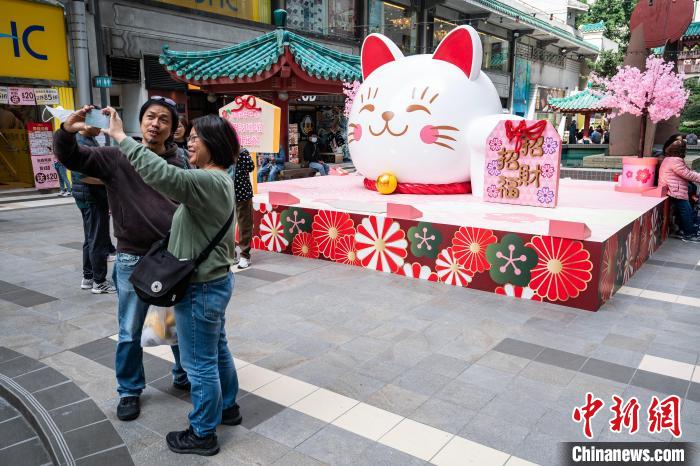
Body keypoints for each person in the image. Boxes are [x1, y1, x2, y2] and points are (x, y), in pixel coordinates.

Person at [103, 110, 241, 456]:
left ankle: (202, 433)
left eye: (196, 137)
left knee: (199, 364)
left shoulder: (207, 181)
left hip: (201, 289)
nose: (189, 142)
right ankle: (228, 408)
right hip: (215, 283)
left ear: (215, 144)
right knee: (217, 351)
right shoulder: (218, 179)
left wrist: (121, 138)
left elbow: (160, 173)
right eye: (189, 136)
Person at [54, 97, 189, 422]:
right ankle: (129, 390)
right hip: (132, 258)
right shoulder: (117, 157)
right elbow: (72, 157)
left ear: (173, 129)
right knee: (129, 329)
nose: (156, 123)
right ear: (140, 122)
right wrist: (67, 132)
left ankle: (184, 374)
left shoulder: (179, 161)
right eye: (150, 117)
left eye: (164, 120)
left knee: (178, 323)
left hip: (172, 257)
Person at [73, 126, 115, 294]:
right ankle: (100, 281)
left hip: (89, 195)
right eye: (98, 126)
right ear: (88, 124)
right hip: (91, 195)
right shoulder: (79, 142)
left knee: (91, 237)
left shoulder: (88, 139)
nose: (101, 129)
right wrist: (109, 180)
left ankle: (89, 277)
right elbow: (82, 175)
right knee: (98, 237)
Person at [658, 133, 700, 243]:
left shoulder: (670, 159)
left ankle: (683, 230)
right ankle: (688, 234)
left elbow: (686, 172)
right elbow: (687, 174)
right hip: (674, 191)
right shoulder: (675, 160)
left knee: (685, 210)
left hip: (671, 189)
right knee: (686, 211)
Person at [229, 148, 254, 269]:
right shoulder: (223, 152)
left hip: (242, 193)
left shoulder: (243, 153)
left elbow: (251, 167)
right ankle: (231, 254)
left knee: (244, 224)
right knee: (228, 225)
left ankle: (245, 255)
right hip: (227, 193)